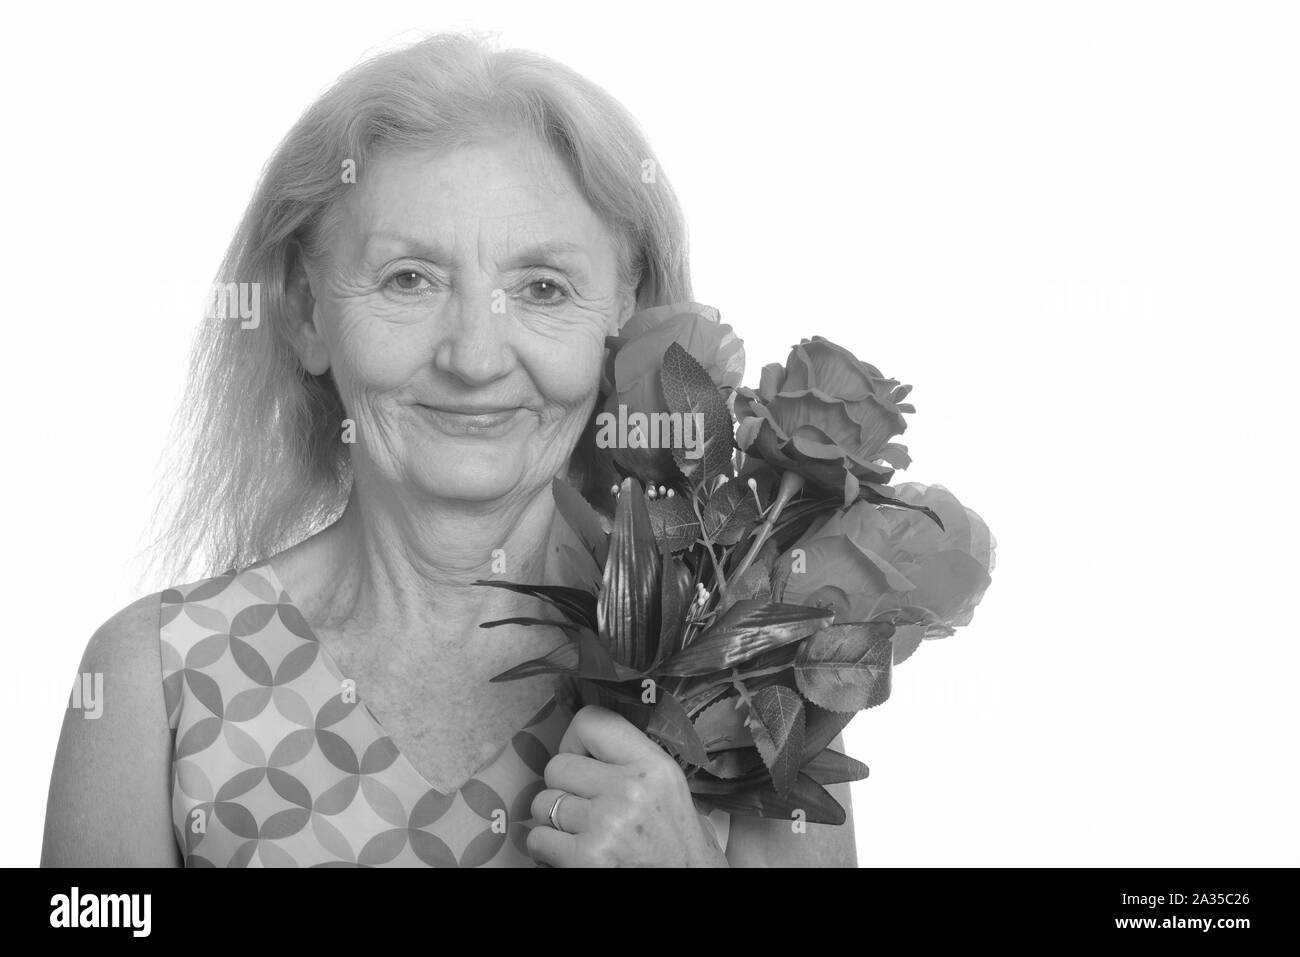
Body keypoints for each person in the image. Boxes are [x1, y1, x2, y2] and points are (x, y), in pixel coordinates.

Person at [41, 33, 856, 867]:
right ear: (305, 311)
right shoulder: (155, 680)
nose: (475, 357)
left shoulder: (750, 669)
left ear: (630, 318)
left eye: (543, 288)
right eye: (409, 279)